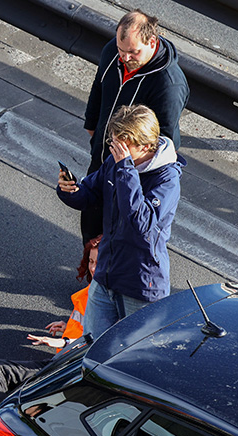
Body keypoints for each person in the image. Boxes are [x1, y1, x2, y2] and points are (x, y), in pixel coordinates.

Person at [0, 237, 100, 436]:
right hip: (64, 363)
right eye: (91, 261)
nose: (93, 268)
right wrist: (66, 327)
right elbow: (87, 328)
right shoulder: (94, 292)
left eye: (98, 263)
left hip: (68, 369)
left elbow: (98, 341)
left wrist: (62, 342)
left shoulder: (102, 298)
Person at [58, 104, 183, 340]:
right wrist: (69, 190)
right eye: (113, 142)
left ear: (146, 146)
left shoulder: (167, 180)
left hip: (140, 286)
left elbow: (141, 224)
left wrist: (126, 169)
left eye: (122, 145)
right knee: (92, 347)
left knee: (135, 356)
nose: (115, 150)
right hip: (106, 275)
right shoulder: (118, 162)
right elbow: (90, 194)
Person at [81, 9, 189, 244]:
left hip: (132, 174)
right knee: (91, 228)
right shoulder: (114, 51)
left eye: (133, 52)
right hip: (102, 158)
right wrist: (93, 126)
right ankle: (91, 275)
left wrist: (129, 173)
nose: (125, 58)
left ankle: (104, 278)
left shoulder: (168, 85)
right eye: (122, 50)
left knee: (120, 240)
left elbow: (163, 141)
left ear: (152, 41)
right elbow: (99, 87)